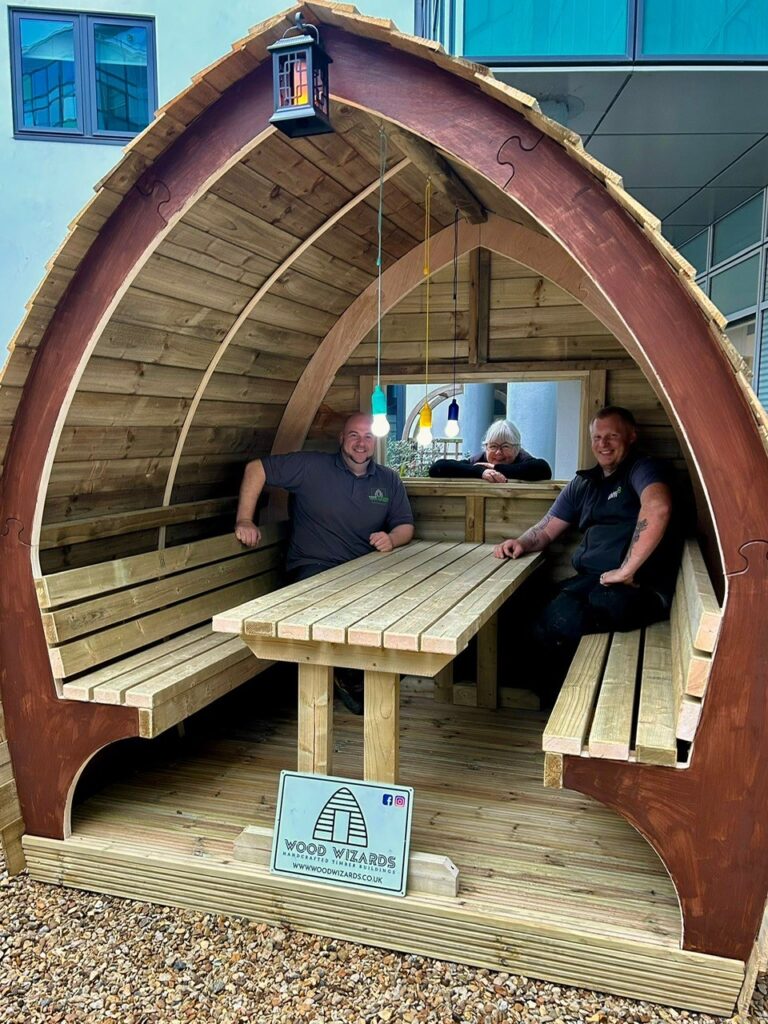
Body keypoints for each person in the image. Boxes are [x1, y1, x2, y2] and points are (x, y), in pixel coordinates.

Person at [493, 406, 679, 706]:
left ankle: (565, 711)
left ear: (631, 437)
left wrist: (627, 569)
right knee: (520, 608)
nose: (603, 443)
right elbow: (546, 527)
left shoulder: (644, 468)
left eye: (612, 436)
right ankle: (550, 706)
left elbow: (658, 508)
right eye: (597, 437)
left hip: (638, 589)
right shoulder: (584, 482)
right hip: (594, 581)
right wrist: (522, 542)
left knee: (560, 622)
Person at [235, 412, 415, 713]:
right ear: (341, 439)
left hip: (363, 572)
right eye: (354, 435)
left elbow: (405, 525)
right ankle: (350, 679)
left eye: (368, 437)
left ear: (376, 442)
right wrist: (244, 519)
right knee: (333, 607)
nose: (361, 443)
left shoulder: (388, 479)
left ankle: (365, 675)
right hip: (314, 567)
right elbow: (257, 469)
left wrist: (392, 539)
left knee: (398, 603)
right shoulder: (311, 466)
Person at [429, 419, 551, 482]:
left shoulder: (524, 459)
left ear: (517, 448)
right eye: (493, 446)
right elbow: (437, 468)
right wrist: (480, 472)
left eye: (505, 446)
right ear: (486, 447)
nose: (498, 453)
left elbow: (543, 469)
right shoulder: (478, 461)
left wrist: (494, 468)